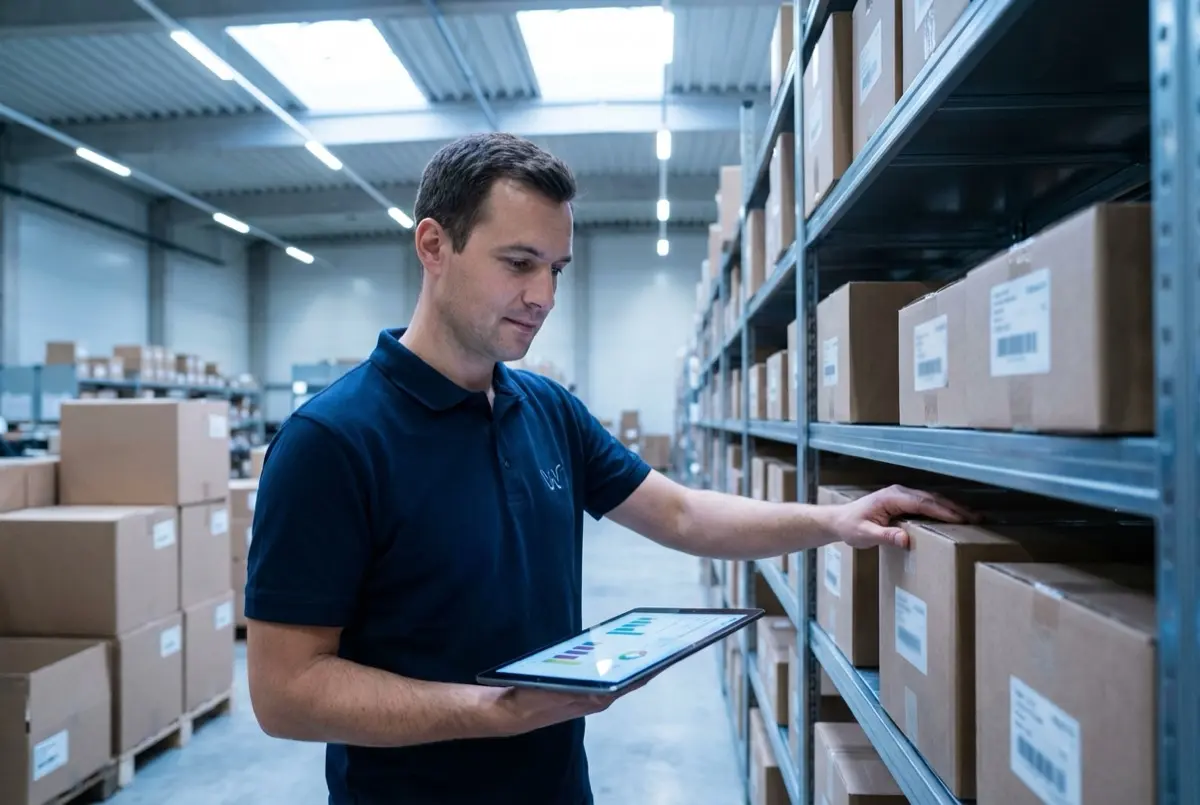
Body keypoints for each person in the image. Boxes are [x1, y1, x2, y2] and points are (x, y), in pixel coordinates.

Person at [244, 132, 973, 805]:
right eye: (519, 263)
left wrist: (835, 520)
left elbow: (681, 513)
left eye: (556, 269)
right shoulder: (331, 441)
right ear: (434, 245)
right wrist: (494, 713)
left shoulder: (548, 410)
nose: (545, 298)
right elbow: (285, 690)